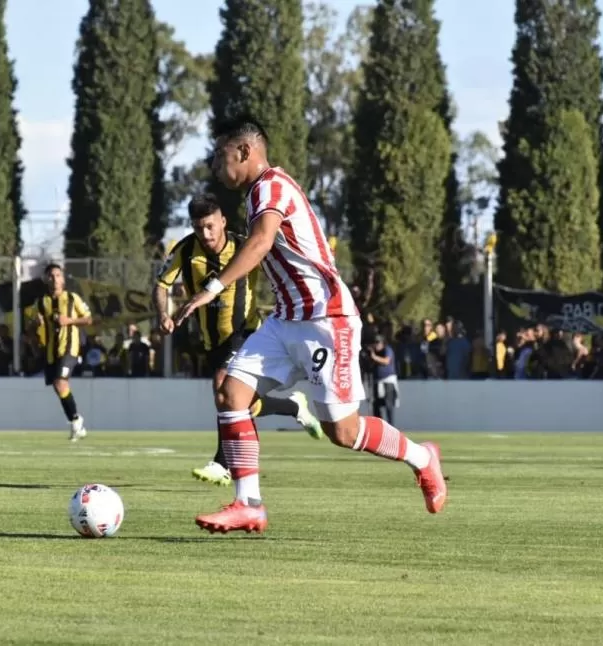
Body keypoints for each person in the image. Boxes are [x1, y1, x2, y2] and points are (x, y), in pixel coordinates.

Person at [175, 116, 447, 534]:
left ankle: (423, 458)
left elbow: (262, 242)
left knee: (343, 429)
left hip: (325, 319)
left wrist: (213, 287)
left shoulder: (272, 186)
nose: (215, 164)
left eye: (220, 155)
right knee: (231, 392)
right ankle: (250, 504)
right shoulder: (254, 195)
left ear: (244, 151)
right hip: (285, 320)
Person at [154, 193, 323, 487]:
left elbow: (279, 268)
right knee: (242, 403)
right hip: (212, 340)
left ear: (222, 221)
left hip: (246, 333)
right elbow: (161, 285)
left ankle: (223, 463)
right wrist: (163, 314)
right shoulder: (184, 250)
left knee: (222, 385)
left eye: (210, 226)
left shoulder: (244, 247)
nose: (205, 234)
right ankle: (293, 407)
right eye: (198, 228)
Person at [37, 263, 92, 441]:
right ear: (46, 279)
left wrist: (68, 320)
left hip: (69, 348)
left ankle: (76, 421)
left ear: (63, 278)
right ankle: (76, 421)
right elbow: (38, 324)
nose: (55, 279)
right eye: (51, 276)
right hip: (51, 350)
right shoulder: (41, 302)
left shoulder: (72, 298)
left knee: (61, 382)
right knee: (58, 385)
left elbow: (89, 319)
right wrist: (35, 326)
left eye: (58, 275)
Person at [367, 334, 398, 424]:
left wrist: (374, 357)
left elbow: (386, 361)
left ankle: (391, 425)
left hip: (388, 380)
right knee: (376, 405)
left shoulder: (387, 349)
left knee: (389, 405)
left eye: (378, 343)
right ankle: (379, 425)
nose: (376, 345)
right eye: (375, 343)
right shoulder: (374, 352)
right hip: (377, 381)